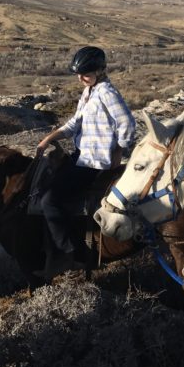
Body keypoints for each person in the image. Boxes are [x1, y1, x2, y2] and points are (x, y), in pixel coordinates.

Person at [36, 46, 136, 277]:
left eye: (87, 73)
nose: (81, 78)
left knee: (50, 201)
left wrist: (118, 152)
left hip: (95, 163)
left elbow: (128, 124)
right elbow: (75, 123)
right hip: (82, 156)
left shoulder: (107, 93)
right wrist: (49, 139)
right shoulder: (89, 92)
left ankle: (75, 254)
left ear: (100, 70)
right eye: (79, 73)